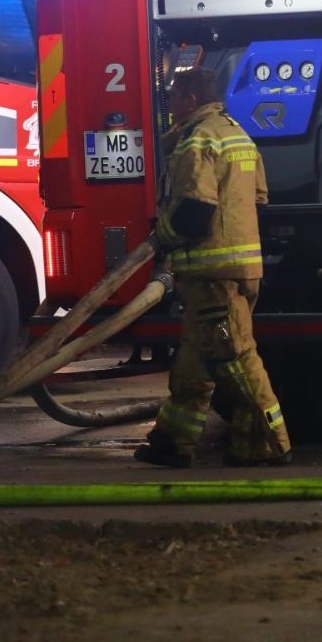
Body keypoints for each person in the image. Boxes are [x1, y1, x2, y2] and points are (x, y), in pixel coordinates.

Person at [134, 67, 292, 467]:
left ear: (191, 99)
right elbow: (259, 199)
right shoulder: (238, 134)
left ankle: (270, 442)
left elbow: (195, 209)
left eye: (174, 95)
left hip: (213, 275)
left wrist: (162, 236)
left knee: (236, 359)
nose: (169, 103)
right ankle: (172, 442)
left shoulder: (197, 140)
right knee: (194, 363)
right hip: (238, 269)